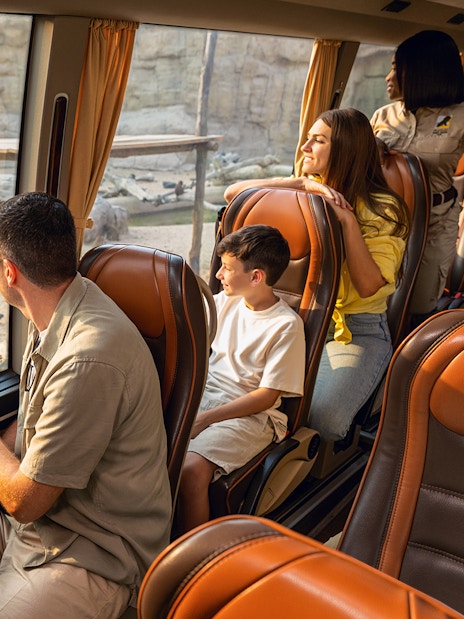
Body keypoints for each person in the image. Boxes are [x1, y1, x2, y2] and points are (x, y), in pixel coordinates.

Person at [0, 192, 172, 618]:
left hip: (95, 552)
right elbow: (31, 424)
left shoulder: (87, 358)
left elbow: (25, 501)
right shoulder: (58, 308)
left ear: (9, 272)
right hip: (47, 525)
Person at [224, 108, 410, 442]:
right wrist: (296, 182)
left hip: (352, 331)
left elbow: (369, 286)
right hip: (289, 318)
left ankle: (376, 389)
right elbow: (233, 195)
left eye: (318, 140)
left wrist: (348, 222)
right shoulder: (304, 192)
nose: (305, 147)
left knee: (321, 418)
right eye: (307, 138)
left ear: (344, 150)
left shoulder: (384, 209)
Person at [177, 224, 305, 533]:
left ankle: (193, 558)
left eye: (226, 268)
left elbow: (267, 396)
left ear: (256, 277)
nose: (218, 275)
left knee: (191, 470)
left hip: (252, 414)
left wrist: (206, 418)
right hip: (208, 395)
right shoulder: (224, 303)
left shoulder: (286, 326)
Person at [371, 30, 464, 320]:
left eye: (396, 68)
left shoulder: (460, 115)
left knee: (418, 307)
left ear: (424, 71)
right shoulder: (382, 116)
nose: (388, 77)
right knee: (378, 302)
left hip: (435, 224)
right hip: (383, 223)